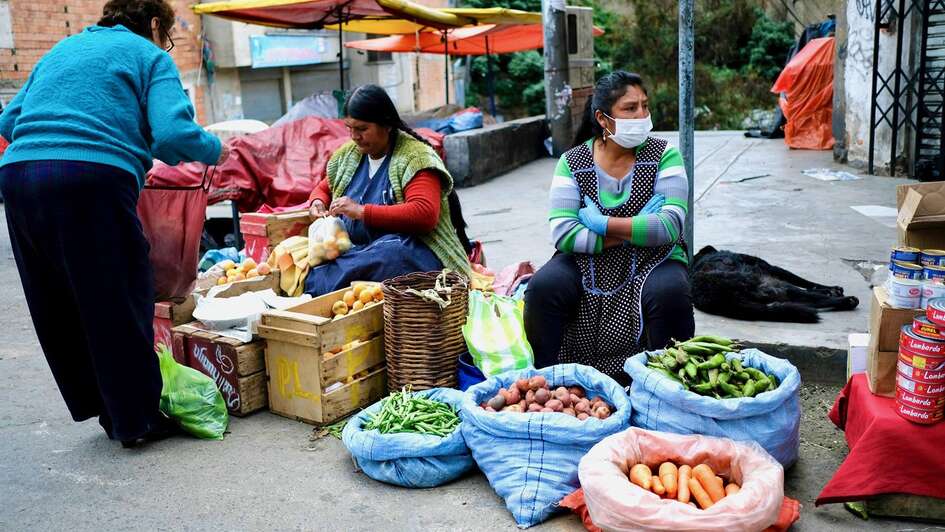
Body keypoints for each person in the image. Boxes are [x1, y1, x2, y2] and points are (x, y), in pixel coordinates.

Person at [0, 0, 228, 447]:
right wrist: (217, 149)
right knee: (120, 296)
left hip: (18, 176)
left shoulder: (61, 50)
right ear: (156, 24)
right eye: (167, 38)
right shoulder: (149, 56)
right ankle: (137, 421)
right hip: (90, 179)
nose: (166, 46)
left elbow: (9, 119)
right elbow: (173, 134)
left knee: (60, 300)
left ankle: (107, 408)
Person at [523, 71, 695, 382]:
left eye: (645, 106)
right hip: (585, 263)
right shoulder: (572, 162)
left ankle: (666, 387)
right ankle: (545, 383)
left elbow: (669, 227)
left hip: (656, 259)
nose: (642, 115)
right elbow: (564, 233)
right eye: (630, 109)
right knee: (544, 286)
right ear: (603, 118)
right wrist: (637, 228)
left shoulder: (665, 156)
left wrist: (602, 223)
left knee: (669, 291)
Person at [304, 84, 471, 295]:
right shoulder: (350, 155)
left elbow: (425, 214)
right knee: (305, 249)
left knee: (391, 253)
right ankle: (327, 279)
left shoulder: (414, 157)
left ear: (387, 125)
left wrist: (362, 211)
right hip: (362, 252)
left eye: (362, 129)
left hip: (413, 254)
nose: (354, 136)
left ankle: (317, 284)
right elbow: (323, 188)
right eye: (350, 128)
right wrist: (317, 202)